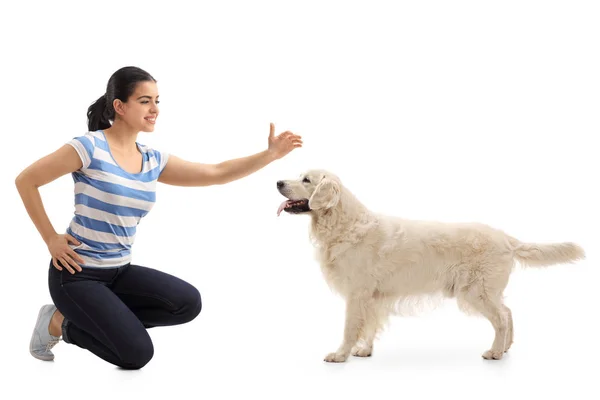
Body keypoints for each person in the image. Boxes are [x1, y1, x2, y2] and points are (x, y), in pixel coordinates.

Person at [15, 66, 302, 369]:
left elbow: (216, 173)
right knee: (136, 354)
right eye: (145, 101)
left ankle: (107, 319)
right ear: (120, 107)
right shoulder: (89, 147)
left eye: (157, 101)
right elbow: (26, 180)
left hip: (118, 272)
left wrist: (270, 154)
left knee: (186, 303)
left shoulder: (152, 159)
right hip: (76, 275)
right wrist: (50, 238)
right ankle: (61, 324)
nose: (155, 109)